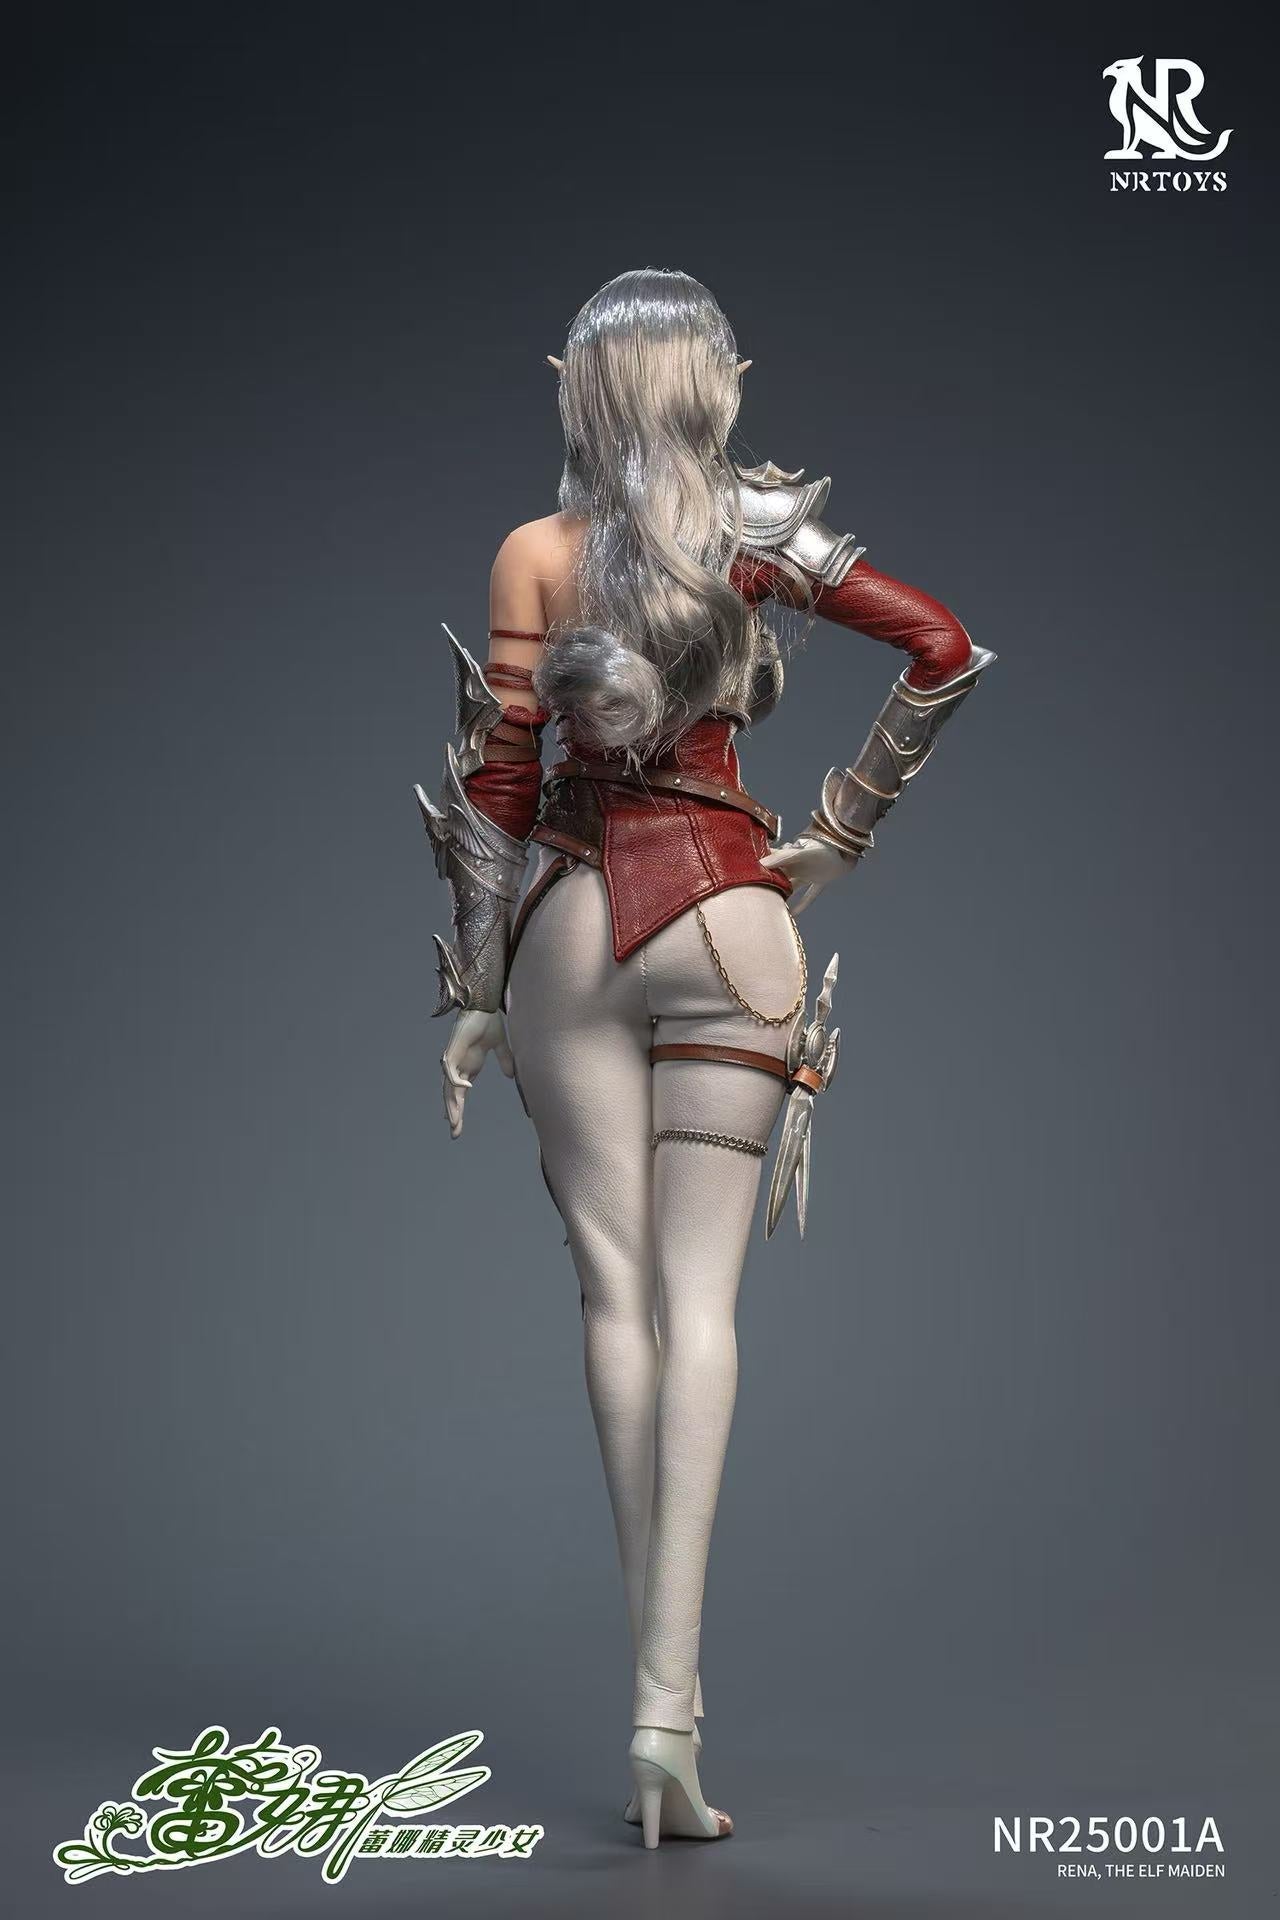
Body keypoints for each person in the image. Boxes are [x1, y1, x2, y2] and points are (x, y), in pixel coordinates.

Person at [415, 268, 994, 1847]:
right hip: (734, 922)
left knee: (616, 1307)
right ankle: (669, 1714)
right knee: (706, 1312)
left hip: (571, 935)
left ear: (579, 388)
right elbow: (943, 649)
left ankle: (650, 1701)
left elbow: (504, 780)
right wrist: (840, 830)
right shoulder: (752, 531)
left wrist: (478, 989)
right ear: (710, 384)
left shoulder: (535, 552)